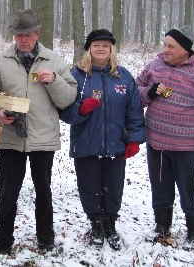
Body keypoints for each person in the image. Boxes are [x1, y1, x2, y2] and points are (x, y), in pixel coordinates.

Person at [0, 9, 77, 254]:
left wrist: (54, 81)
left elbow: (68, 98)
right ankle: (3, 242)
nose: (23, 40)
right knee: (8, 193)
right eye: (19, 36)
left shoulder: (53, 61)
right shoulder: (0, 61)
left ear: (37, 34)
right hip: (11, 139)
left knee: (44, 192)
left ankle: (46, 241)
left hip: (43, 139)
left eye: (28, 35)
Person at [136, 27, 194, 243]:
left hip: (188, 148)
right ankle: (162, 228)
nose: (164, 50)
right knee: (160, 190)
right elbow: (134, 91)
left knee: (190, 193)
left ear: (185, 50)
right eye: (164, 44)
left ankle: (193, 233)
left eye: (170, 46)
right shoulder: (154, 67)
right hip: (157, 144)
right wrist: (149, 91)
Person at [60, 29, 145, 250]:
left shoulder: (124, 76)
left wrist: (135, 139)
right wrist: (82, 109)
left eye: (105, 46)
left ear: (111, 49)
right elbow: (64, 111)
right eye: (96, 45)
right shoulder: (76, 75)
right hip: (86, 143)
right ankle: (96, 224)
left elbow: (134, 111)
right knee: (89, 186)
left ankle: (110, 225)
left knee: (114, 187)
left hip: (117, 144)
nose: (101, 49)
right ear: (89, 48)